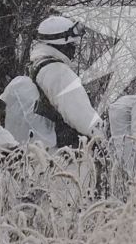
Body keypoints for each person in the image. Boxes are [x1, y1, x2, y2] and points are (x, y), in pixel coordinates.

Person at [27, 14, 105, 148]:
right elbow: (80, 114)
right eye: (72, 44)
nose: (74, 50)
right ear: (62, 45)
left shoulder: (37, 65)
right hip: (63, 155)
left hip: (42, 148)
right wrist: (102, 139)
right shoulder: (58, 72)